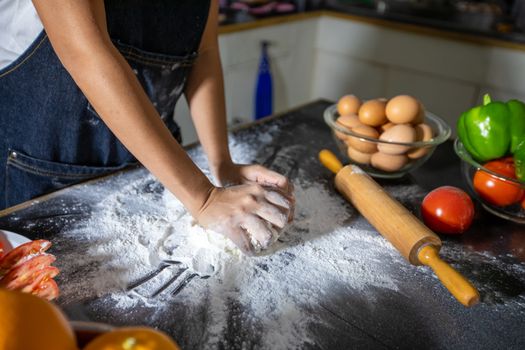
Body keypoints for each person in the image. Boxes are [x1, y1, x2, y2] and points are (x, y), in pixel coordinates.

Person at [0, 0, 295, 254]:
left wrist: (222, 164)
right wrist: (203, 197)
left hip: (154, 173)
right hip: (39, 175)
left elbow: (203, 53)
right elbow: (87, 53)